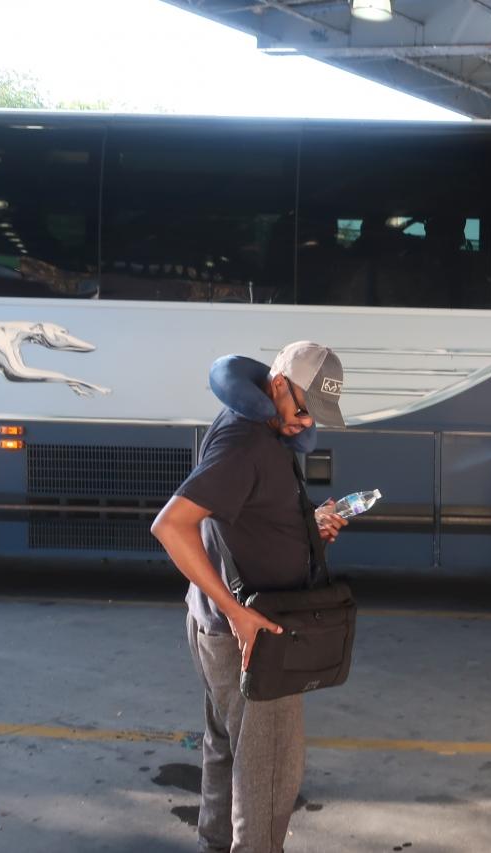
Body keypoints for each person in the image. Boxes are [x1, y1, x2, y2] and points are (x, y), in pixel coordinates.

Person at [151, 341, 350, 853]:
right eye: (303, 409)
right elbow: (171, 526)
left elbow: (244, 514)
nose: (307, 423)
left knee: (228, 755)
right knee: (267, 776)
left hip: (224, 627)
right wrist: (238, 614)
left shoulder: (257, 425)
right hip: (252, 636)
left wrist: (309, 526)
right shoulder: (247, 442)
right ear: (278, 384)